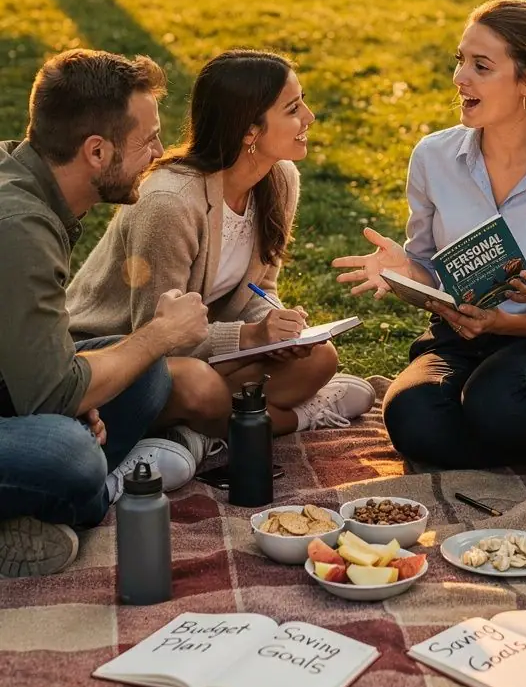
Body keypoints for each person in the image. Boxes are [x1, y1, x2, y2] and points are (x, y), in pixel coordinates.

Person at [332, 0, 526, 468]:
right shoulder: (433, 157)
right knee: (412, 415)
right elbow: (428, 272)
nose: (459, 77)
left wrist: (522, 313)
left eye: (481, 66)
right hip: (459, 337)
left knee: (496, 399)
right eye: (460, 60)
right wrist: (404, 272)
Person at [68, 50, 374, 456]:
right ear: (249, 130)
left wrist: (277, 326)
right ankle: (294, 417)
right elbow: (156, 336)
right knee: (199, 385)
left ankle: (196, 434)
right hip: (118, 357)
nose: (310, 118)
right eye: (293, 108)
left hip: (205, 349)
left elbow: (260, 289)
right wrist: (250, 337)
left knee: (318, 358)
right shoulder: (169, 204)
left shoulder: (279, 178)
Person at [0, 49, 215, 579]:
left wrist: (76, 389)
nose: (161, 152)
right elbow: (53, 394)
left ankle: (32, 510)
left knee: (143, 378)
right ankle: (76, 498)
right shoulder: (20, 227)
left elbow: (38, 372)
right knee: (69, 455)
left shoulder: (28, 184)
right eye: (148, 140)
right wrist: (160, 333)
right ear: (96, 151)